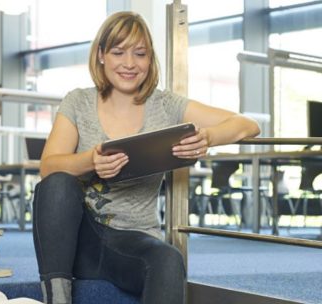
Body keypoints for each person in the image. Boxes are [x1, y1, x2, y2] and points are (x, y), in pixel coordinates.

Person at [32, 11, 260, 304]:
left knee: (168, 259)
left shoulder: (165, 105)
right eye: (118, 52)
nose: (129, 63)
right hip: (78, 242)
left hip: (129, 243)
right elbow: (48, 166)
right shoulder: (78, 101)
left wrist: (209, 137)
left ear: (150, 59)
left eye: (140, 54)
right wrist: (91, 160)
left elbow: (248, 124)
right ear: (101, 55)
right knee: (57, 184)